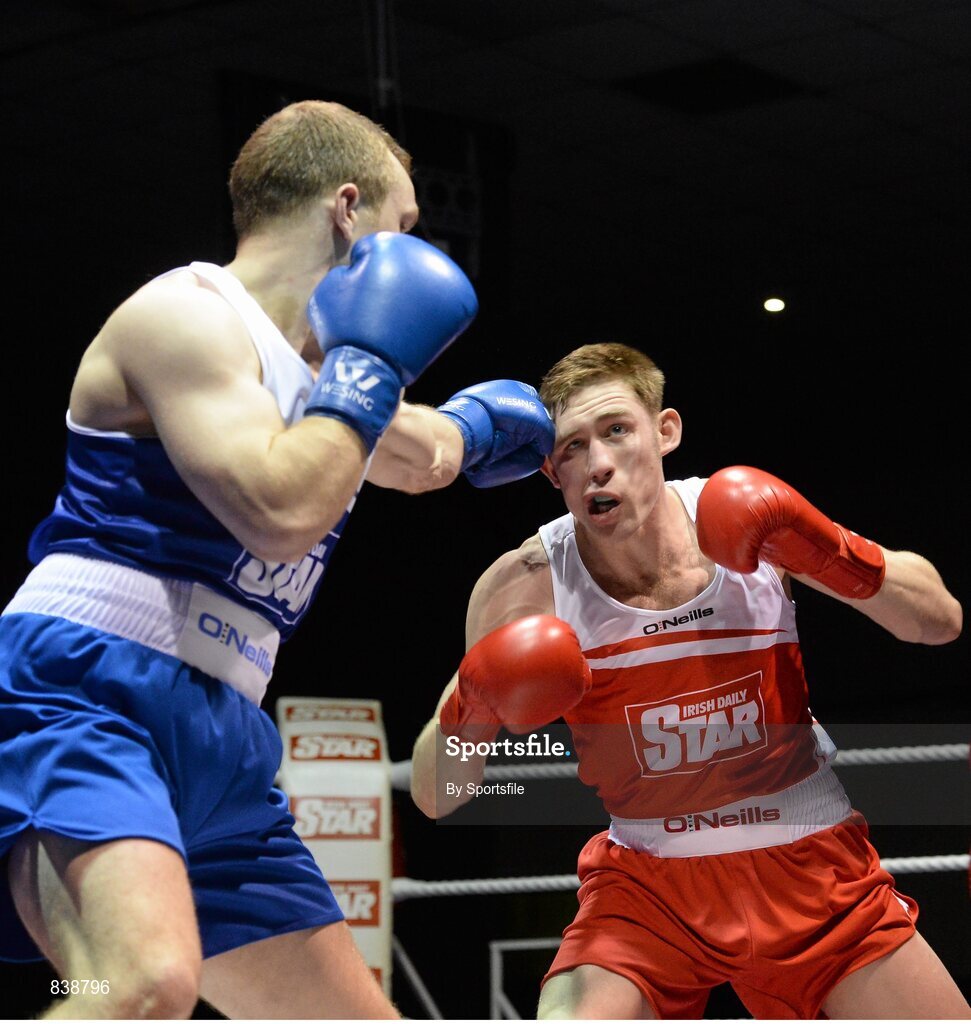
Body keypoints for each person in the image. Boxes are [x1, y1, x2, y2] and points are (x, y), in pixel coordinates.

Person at [0, 99, 554, 1020]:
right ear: (347, 209)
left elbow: (413, 454)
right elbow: (281, 508)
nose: (416, 248)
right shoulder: (184, 317)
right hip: (88, 691)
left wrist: (479, 428)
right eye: (404, 224)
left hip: (225, 728)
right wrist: (375, 370)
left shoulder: (322, 369)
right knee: (132, 983)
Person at [410, 342, 969, 1020]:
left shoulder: (745, 523)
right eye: (571, 449)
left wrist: (821, 544)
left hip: (815, 871)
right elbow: (438, 794)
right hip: (648, 891)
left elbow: (938, 621)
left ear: (664, 430)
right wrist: (475, 701)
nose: (597, 463)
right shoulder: (524, 586)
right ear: (548, 468)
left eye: (616, 430)